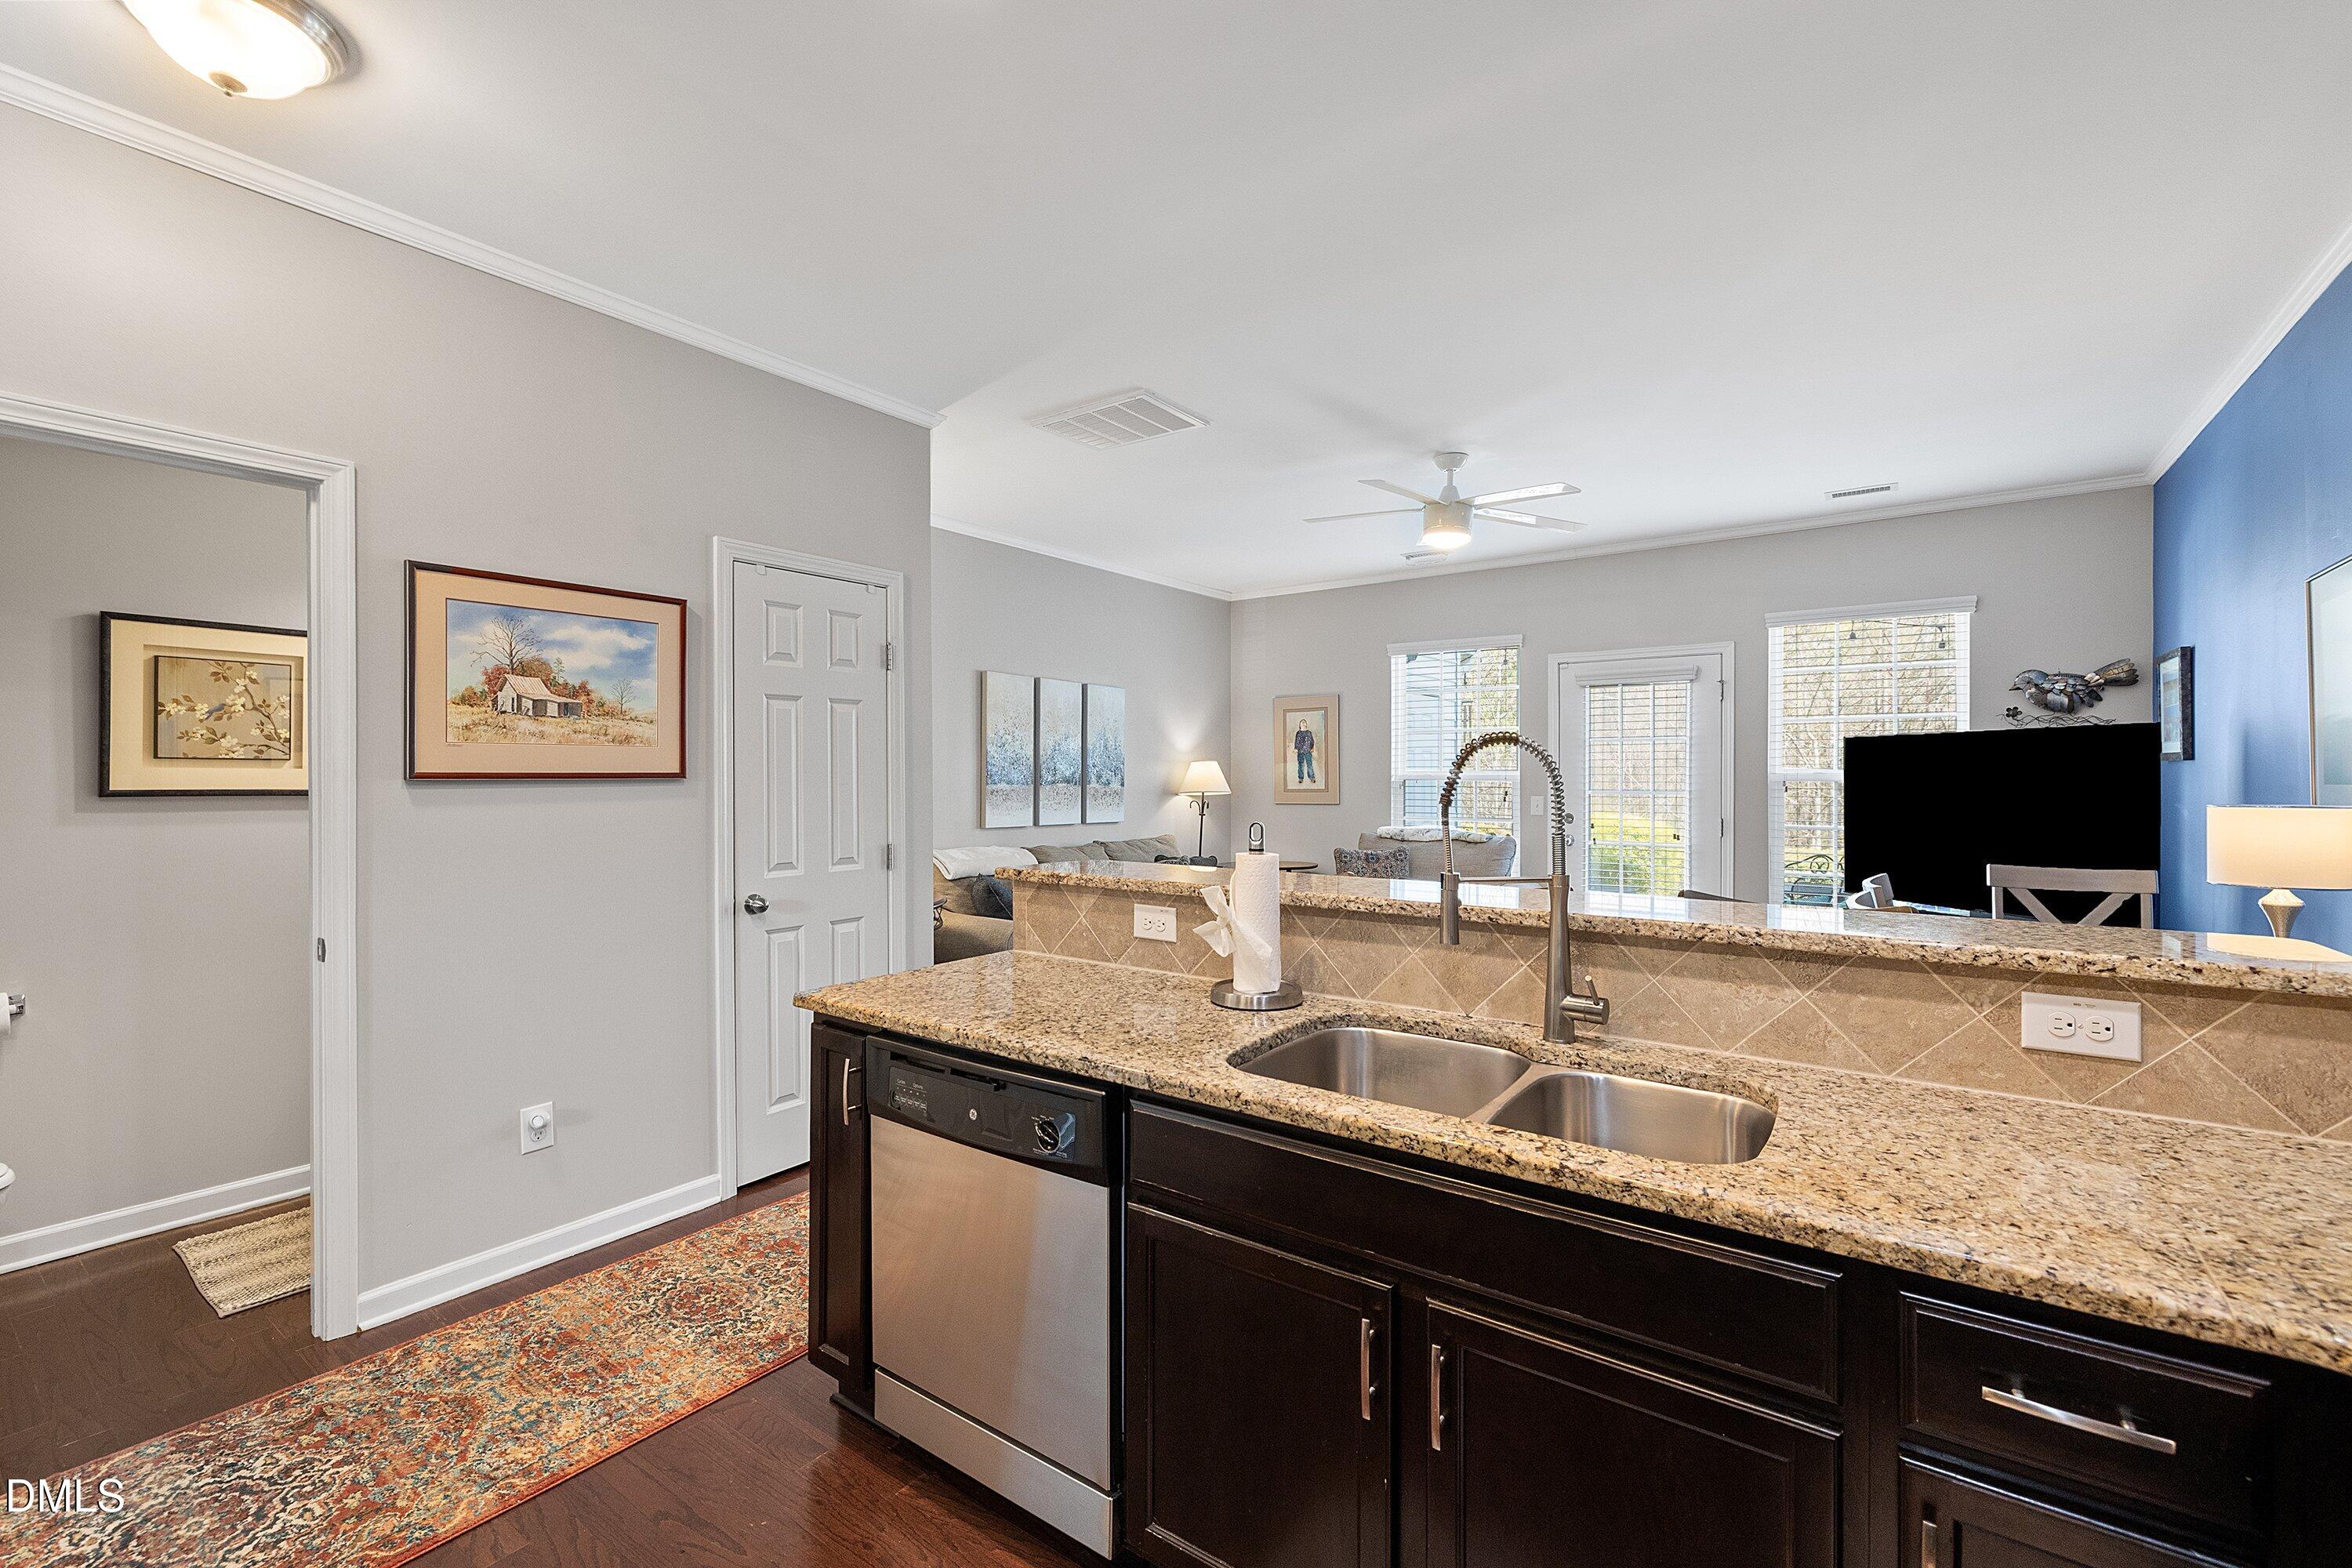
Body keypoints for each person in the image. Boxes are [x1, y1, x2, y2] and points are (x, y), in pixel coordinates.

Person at [1293, 717, 1318, 783]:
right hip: (1300, 751)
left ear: (1306, 725)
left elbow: (1312, 741)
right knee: (1301, 764)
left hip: (1308, 751)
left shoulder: (1309, 733)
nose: (1303, 723)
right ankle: (1301, 778)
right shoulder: (1298, 733)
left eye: (1304, 722)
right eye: (1302, 722)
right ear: (1300, 725)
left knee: (1309, 764)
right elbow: (1297, 741)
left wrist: (1312, 748)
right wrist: (1296, 748)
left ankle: (1312, 777)